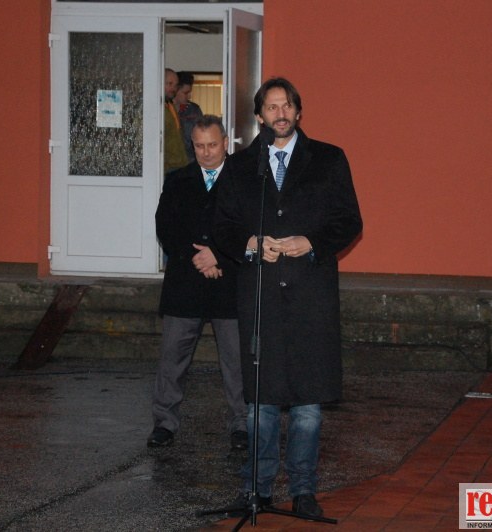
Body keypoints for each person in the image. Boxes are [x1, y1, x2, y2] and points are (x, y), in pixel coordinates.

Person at [214, 77, 362, 517]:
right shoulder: (242, 166)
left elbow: (349, 221)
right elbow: (221, 225)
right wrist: (249, 243)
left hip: (310, 297)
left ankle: (303, 491)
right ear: (259, 116)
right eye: (271, 107)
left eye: (287, 106)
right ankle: (256, 489)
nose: (280, 114)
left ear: (298, 111)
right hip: (259, 296)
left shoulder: (329, 159)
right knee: (260, 401)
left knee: (307, 405)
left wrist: (311, 242)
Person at [147, 115, 247, 451]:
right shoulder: (178, 180)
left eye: (212, 145)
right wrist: (198, 259)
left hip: (229, 284)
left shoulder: (244, 180)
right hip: (185, 285)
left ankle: (242, 424)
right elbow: (166, 227)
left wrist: (218, 255)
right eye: (199, 145)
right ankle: (164, 423)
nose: (206, 152)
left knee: (237, 361)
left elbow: (250, 228)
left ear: (226, 143)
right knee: (172, 359)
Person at [175, 71, 204, 163]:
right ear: (176, 90)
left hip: (191, 161)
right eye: (185, 93)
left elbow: (202, 135)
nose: (189, 96)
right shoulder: (163, 110)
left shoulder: (194, 110)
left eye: (189, 92)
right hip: (169, 163)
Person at [164, 68, 188, 173]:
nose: (173, 88)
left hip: (178, 165)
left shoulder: (170, 105)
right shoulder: (155, 109)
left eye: (175, 85)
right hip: (166, 167)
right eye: (169, 84)